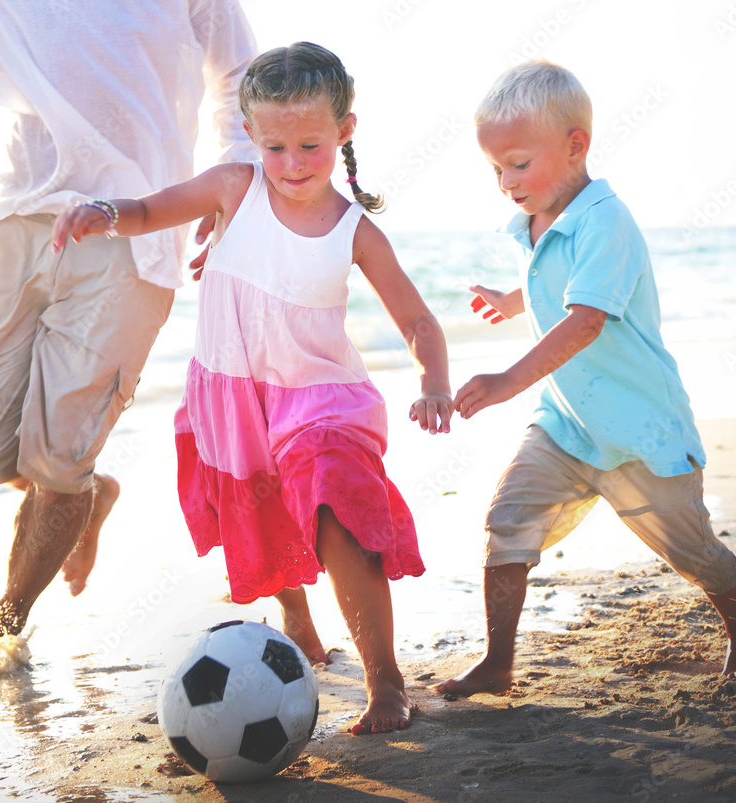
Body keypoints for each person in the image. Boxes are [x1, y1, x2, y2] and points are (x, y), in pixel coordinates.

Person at [53, 41, 453, 734]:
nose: (293, 164)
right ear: (252, 138)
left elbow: (417, 317)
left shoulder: (353, 230)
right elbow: (150, 209)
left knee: (335, 508)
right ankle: (297, 614)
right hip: (233, 394)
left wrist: (435, 379)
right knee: (267, 513)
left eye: (310, 145)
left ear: (344, 132)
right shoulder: (233, 188)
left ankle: (387, 683)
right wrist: (105, 211)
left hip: (321, 398)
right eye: (276, 147)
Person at [0, 0, 260, 637]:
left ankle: (4, 625)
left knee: (56, 465)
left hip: (134, 224)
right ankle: (93, 493)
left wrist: (237, 183)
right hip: (15, 220)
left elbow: (241, 77)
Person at [437, 60, 736, 698]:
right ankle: (498, 661)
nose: (505, 182)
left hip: (638, 427)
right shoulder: (537, 219)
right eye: (495, 170)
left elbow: (586, 320)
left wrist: (507, 380)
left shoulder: (606, 220)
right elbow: (557, 279)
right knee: (507, 519)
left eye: (516, 163)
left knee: (694, 551)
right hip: (565, 424)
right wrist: (511, 301)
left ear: (575, 147)